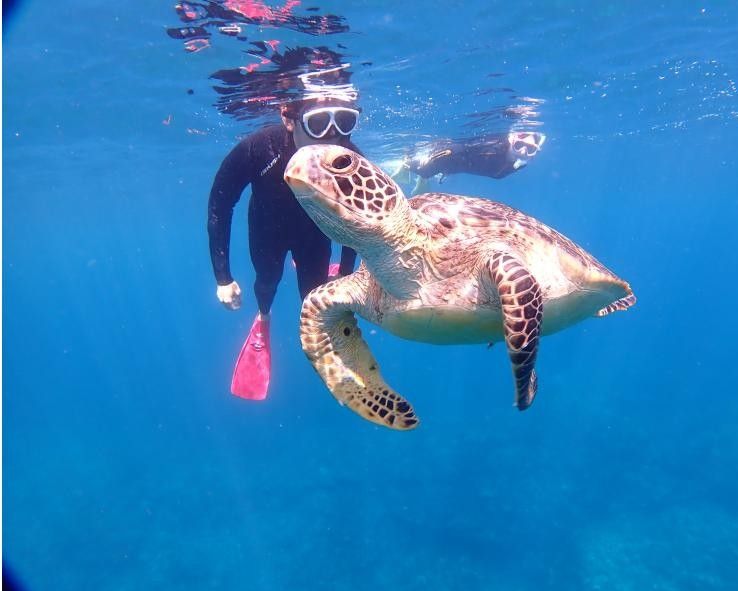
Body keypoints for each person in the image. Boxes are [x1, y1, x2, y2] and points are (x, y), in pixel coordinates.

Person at [207, 96, 362, 400]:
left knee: (313, 300)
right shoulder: (260, 147)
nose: (333, 137)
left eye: (344, 122)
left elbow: (356, 218)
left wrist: (344, 273)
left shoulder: (350, 159)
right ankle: (263, 318)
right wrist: (222, 277)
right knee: (267, 282)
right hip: (268, 232)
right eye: (318, 123)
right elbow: (220, 205)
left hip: (314, 236)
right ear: (288, 119)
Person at [392, 130, 546, 194]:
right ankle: (406, 163)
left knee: (437, 170)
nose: (523, 152)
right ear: (511, 141)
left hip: (460, 166)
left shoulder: (519, 164)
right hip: (452, 154)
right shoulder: (494, 148)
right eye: (519, 146)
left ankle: (423, 178)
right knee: (425, 169)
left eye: (530, 150)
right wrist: (440, 154)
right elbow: (464, 147)